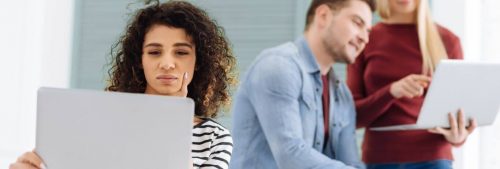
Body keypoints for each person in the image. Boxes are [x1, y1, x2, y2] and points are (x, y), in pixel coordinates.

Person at [9, 1, 236, 169]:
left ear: (198, 62)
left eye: (181, 52)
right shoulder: (99, 123)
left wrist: (173, 120)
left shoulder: (215, 138)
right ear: (140, 60)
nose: (167, 64)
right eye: (155, 52)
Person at [230, 0, 374, 168]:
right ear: (323, 16)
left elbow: (351, 163)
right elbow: (291, 155)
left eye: (368, 31)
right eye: (357, 23)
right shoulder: (278, 66)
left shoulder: (342, 95)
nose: (365, 38)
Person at [346, 0, 476, 168]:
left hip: (433, 159)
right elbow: (352, 117)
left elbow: (457, 114)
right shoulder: (365, 39)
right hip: (379, 159)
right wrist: (391, 91)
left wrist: (458, 136)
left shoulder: (448, 41)